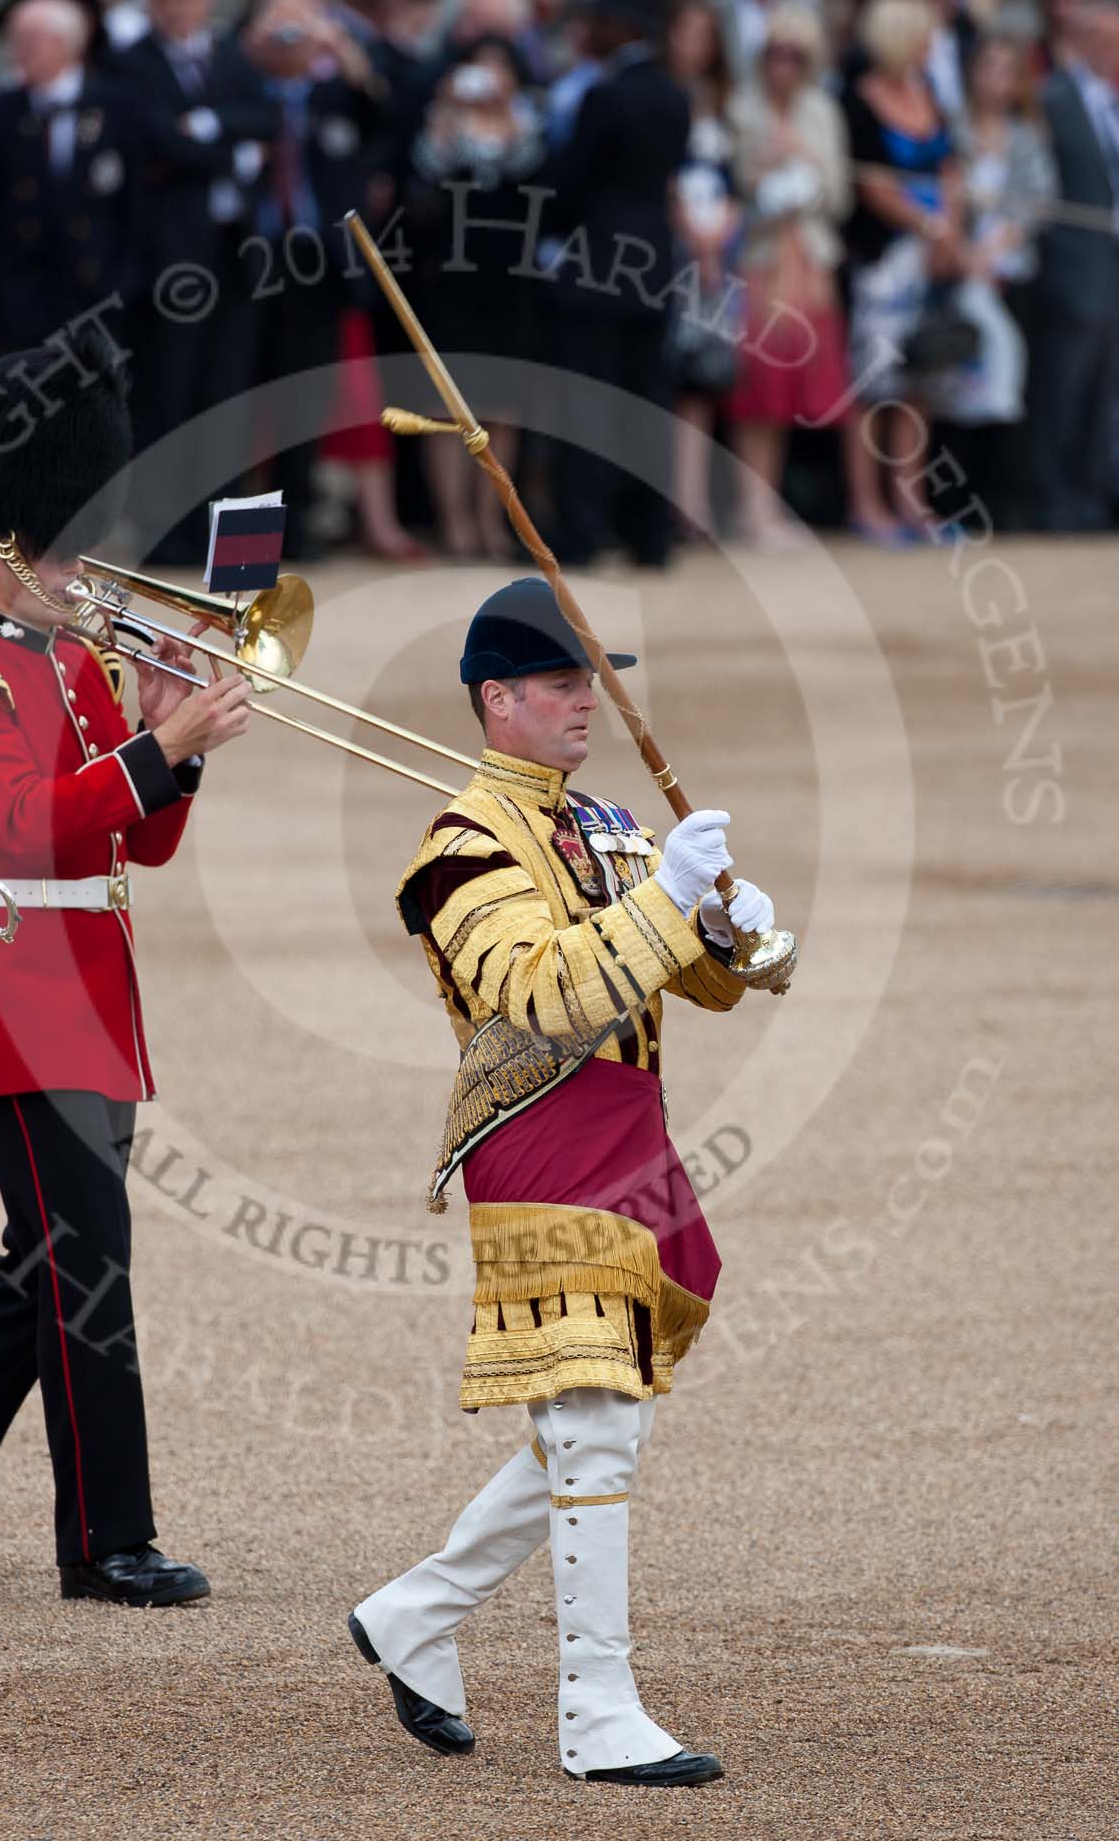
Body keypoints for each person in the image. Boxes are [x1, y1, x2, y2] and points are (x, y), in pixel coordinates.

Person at [0, 326, 251, 1604]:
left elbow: (147, 837)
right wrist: (155, 741)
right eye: (58, 543)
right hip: (14, 984)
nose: (83, 567)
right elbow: (12, 829)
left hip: (94, 979)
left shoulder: (79, 661)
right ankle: (104, 1537)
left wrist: (183, 743)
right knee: (86, 1261)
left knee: (45, 1255)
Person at [349, 576, 774, 1787]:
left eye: (588, 677)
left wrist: (737, 929)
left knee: (601, 1417)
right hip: (540, 1133)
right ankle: (595, 1707)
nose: (586, 699)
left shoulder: (600, 820)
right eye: (557, 682)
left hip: (631, 1131)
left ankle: (417, 1613)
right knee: (593, 1422)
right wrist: (667, 897)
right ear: (497, 699)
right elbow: (543, 995)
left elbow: (711, 981)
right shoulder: (458, 844)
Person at [114, 0, 280, 562]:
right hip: (172, 265)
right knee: (169, 397)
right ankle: (167, 540)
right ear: (151, 2)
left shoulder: (231, 55)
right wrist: (231, 147)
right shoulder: (131, 64)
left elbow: (267, 117)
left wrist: (207, 127)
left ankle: (235, 549)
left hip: (236, 259)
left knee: (230, 399)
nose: (179, 8)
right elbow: (155, 140)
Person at [541, 0, 691, 569]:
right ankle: (649, 535)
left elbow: (574, 182)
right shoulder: (675, 95)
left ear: (618, 25)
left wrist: (545, 213)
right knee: (648, 402)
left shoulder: (603, 95)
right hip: (653, 261)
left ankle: (580, 533)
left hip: (595, 263)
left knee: (587, 404)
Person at [233, 0, 387, 557]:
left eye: (301, 30)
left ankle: (293, 534)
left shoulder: (333, 96)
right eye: (279, 29)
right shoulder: (243, 88)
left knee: (303, 403)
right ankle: (243, 546)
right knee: (244, 404)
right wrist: (251, 48)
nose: (290, 41)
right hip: (246, 262)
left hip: (316, 263)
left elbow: (380, 116)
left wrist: (342, 47)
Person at [404, 33, 545, 557]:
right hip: (450, 274)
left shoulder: (527, 120)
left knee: (502, 408)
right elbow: (425, 169)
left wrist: (506, 112)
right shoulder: (443, 119)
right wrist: (447, 109)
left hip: (508, 275)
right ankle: (454, 519)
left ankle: (492, 518)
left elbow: (532, 168)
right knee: (447, 408)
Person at [727, 3, 854, 549]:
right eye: (776, 53)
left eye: (796, 56)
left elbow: (840, 196)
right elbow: (729, 188)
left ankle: (767, 507)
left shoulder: (822, 112)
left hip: (810, 265)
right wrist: (765, 174)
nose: (784, 65)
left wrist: (806, 168)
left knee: (790, 396)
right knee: (757, 391)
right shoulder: (741, 110)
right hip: (758, 263)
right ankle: (750, 510)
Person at [841, 0, 966, 541]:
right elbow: (872, 186)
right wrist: (930, 226)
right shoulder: (859, 100)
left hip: (927, 262)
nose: (931, 45)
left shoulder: (928, 92)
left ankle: (913, 501)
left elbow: (950, 167)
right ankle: (868, 504)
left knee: (921, 378)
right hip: (880, 263)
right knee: (872, 384)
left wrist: (950, 230)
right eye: (922, 34)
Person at [0, 0, 147, 360]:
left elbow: (139, 200)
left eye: (27, 42)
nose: (15, 52)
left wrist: (128, 278)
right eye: (13, 41)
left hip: (97, 291)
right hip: (19, 296)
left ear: (66, 45)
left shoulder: (118, 106)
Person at [942, 34, 1056, 528]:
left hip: (1010, 275)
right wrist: (966, 254)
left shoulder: (1027, 136)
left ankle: (998, 503)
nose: (997, 80)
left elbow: (1037, 202)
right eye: (989, 68)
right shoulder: (953, 130)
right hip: (957, 273)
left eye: (1007, 71)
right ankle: (952, 503)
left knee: (1008, 390)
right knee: (954, 389)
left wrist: (995, 250)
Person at [1029, 0, 1119, 531]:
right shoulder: (1053, 98)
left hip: (1112, 270)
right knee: (1062, 385)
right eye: (1105, 42)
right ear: (1082, 43)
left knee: (1104, 387)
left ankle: (1091, 495)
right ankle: (1051, 497)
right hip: (1073, 269)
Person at [663, 0, 740, 543]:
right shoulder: (663, 98)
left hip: (716, 256)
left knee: (704, 379)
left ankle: (695, 504)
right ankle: (672, 502)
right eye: (686, 32)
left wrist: (718, 238)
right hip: (671, 255)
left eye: (704, 35)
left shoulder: (721, 104)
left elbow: (734, 182)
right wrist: (695, 240)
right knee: (671, 377)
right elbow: (663, 178)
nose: (695, 45)